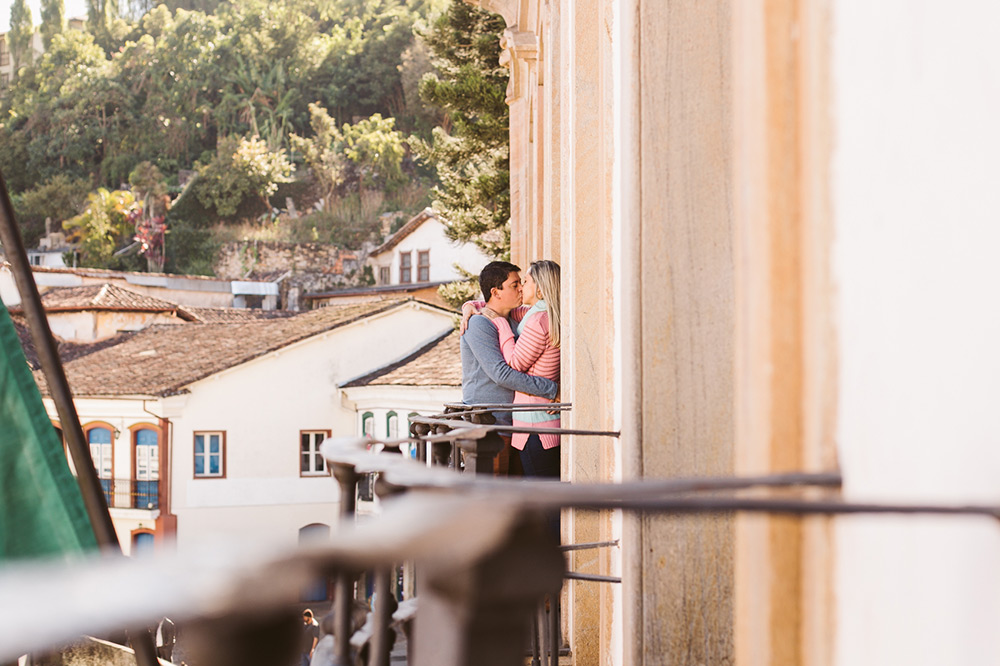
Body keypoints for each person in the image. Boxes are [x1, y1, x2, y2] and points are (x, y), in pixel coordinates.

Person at [460, 261, 559, 466]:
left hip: (517, 425)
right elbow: (501, 374)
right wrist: (553, 390)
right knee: (495, 494)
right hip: (489, 426)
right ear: (496, 292)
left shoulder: (517, 319)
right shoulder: (478, 324)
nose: (521, 288)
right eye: (515, 285)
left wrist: (471, 304)